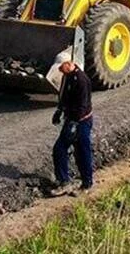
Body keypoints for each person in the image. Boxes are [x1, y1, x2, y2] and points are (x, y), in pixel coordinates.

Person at [48, 54, 94, 197]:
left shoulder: (82, 80)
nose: (60, 70)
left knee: (82, 151)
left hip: (82, 121)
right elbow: (63, 96)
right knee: (59, 149)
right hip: (72, 119)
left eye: (61, 67)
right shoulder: (66, 77)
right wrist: (59, 111)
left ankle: (87, 183)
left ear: (68, 64)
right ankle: (64, 181)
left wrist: (75, 123)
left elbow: (83, 104)